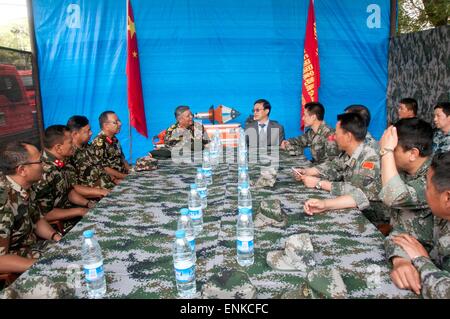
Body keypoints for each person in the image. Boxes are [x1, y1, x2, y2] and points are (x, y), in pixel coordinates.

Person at [300, 113, 388, 226]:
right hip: (352, 207)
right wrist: (307, 171)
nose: (334, 137)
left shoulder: (370, 159)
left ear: (348, 136)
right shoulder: (349, 152)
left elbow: (358, 193)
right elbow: (333, 167)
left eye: (336, 134)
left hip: (371, 217)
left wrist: (320, 184)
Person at [387, 151, 449, 298]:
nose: (425, 192)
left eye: (427, 187)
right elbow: (400, 235)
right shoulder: (440, 217)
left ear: (447, 198)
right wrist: (401, 260)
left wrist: (421, 261)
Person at [0, 142, 62, 274]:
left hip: (32, 248)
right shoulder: (3, 201)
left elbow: (36, 219)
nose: (44, 165)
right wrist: (44, 265)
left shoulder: (27, 186)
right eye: (40, 161)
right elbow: (1, 260)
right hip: (15, 266)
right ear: (22, 170)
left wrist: (57, 237)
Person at [380, 118, 434, 261]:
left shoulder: (433, 177)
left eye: (394, 150)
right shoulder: (404, 170)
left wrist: (386, 151)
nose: (390, 155)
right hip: (399, 248)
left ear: (413, 154)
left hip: (426, 263)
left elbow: (392, 196)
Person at [33, 125, 90, 224]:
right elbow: (45, 214)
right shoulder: (44, 172)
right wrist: (80, 211)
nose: (73, 145)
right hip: (60, 224)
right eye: (70, 142)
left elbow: (69, 192)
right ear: (58, 148)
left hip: (71, 212)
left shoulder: (61, 161)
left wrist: (88, 203)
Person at [66, 115, 114, 195]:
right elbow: (74, 187)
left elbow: (101, 168)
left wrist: (115, 180)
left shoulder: (89, 147)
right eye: (87, 131)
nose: (91, 133)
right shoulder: (69, 154)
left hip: (108, 187)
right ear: (75, 134)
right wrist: (101, 192)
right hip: (96, 196)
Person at [90, 111, 130, 183]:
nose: (120, 124)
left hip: (123, 175)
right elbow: (104, 168)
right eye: (115, 122)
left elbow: (122, 159)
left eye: (119, 121)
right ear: (106, 126)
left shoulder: (114, 139)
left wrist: (131, 171)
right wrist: (124, 177)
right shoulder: (99, 142)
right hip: (112, 180)